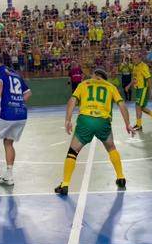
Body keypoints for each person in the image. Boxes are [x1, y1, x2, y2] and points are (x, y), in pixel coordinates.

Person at [55, 68, 135, 196]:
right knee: (111, 148)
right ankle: (121, 177)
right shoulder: (110, 86)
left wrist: (68, 120)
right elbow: (122, 105)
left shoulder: (84, 84)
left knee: (73, 152)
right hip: (103, 121)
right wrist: (128, 124)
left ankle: (65, 184)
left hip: (86, 120)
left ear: (95, 75)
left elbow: (72, 100)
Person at [0, 53, 32, 185]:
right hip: (21, 114)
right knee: (8, 143)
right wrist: (17, 102)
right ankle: (9, 177)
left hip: (6, 113)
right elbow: (28, 93)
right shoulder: (14, 73)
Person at [125, 52, 152, 131]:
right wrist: (129, 85)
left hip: (143, 89)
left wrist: (151, 90)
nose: (133, 60)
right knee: (141, 107)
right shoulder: (135, 67)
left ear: (140, 58)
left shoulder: (144, 66)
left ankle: (139, 125)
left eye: (135, 58)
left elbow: (148, 78)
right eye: (133, 59)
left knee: (138, 106)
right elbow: (134, 79)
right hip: (137, 89)